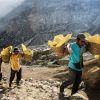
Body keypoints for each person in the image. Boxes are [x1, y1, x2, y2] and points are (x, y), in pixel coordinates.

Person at [59, 33, 88, 99]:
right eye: (82, 41)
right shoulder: (73, 45)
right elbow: (67, 46)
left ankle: (73, 95)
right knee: (71, 81)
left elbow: (85, 49)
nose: (83, 42)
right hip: (72, 66)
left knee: (77, 82)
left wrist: (86, 44)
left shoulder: (83, 47)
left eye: (84, 41)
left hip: (79, 67)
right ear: (77, 40)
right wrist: (67, 46)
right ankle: (62, 88)